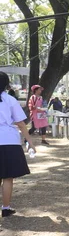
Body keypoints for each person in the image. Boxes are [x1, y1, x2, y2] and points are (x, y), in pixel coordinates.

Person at [0, 72, 36, 217]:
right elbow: (21, 123)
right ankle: (6, 208)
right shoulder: (10, 100)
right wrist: (29, 141)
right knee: (8, 177)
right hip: (9, 141)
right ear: (6, 84)